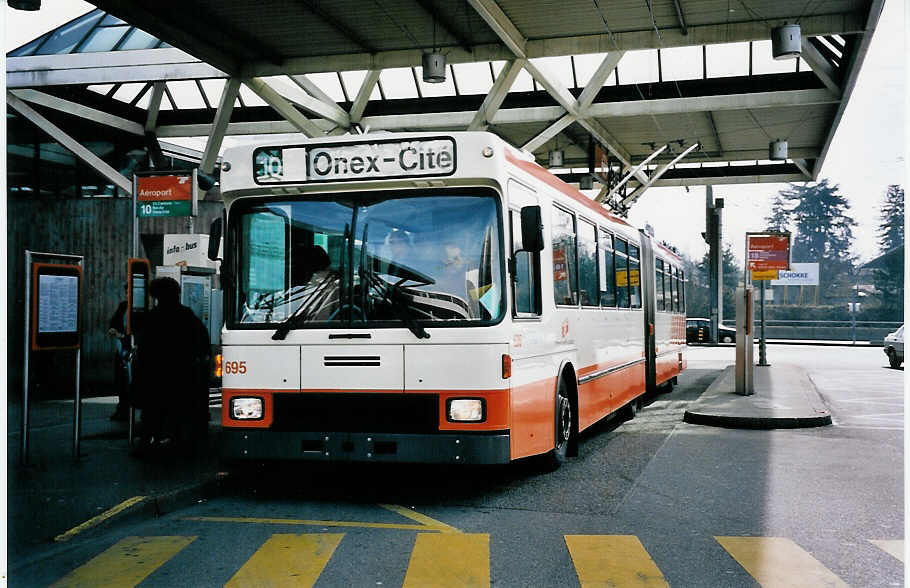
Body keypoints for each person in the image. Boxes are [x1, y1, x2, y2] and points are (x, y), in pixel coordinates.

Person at [131, 277, 210, 455]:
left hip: (155, 376)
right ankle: (177, 444)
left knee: (152, 414)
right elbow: (202, 343)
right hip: (181, 375)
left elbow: (143, 348)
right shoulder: (187, 316)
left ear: (156, 296)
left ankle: (148, 444)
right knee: (178, 413)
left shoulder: (151, 318)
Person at [106, 285, 130, 421]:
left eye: (129, 292)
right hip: (121, 349)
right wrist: (112, 328)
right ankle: (122, 408)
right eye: (126, 293)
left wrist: (121, 336)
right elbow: (114, 321)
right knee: (120, 380)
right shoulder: (123, 306)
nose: (127, 295)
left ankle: (125, 409)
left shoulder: (140, 309)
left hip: (130, 347)